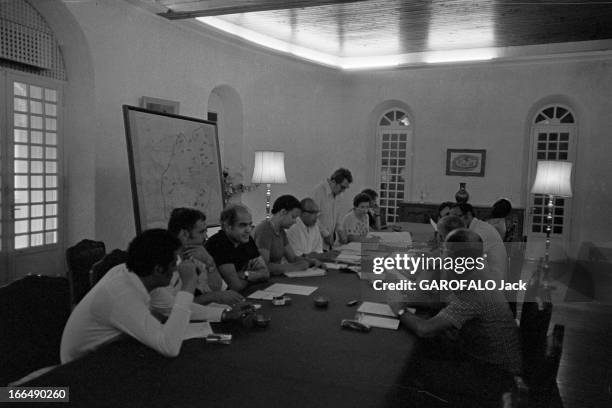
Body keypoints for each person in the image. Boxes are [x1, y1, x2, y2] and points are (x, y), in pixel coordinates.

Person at [388, 228, 522, 404]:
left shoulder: (475, 289)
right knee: (422, 353)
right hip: (487, 360)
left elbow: (425, 329)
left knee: (410, 371)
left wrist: (399, 309)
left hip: (493, 375)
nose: (441, 257)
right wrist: (407, 300)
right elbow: (443, 301)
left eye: (445, 252)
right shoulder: (477, 270)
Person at [61, 229, 222, 363]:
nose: (176, 270)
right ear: (158, 269)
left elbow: (172, 307)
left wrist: (223, 314)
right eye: (174, 264)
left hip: (114, 355)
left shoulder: (138, 273)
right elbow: (169, 346)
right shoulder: (120, 292)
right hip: (80, 368)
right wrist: (188, 285)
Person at [150, 208, 244, 310]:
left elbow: (216, 288)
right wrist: (213, 296)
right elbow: (171, 308)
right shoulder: (166, 262)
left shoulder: (198, 254)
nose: (206, 236)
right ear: (184, 234)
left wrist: (210, 263)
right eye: (201, 232)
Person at [205, 204, 269, 292]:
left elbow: (265, 273)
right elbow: (236, 286)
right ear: (227, 227)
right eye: (242, 225)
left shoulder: (246, 239)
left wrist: (245, 274)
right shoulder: (218, 243)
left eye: (250, 225)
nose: (248, 230)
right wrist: (254, 277)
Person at [254, 195, 322, 275]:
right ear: (283, 212)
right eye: (293, 217)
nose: (295, 221)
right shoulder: (264, 230)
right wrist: (294, 267)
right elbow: (264, 267)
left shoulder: (281, 231)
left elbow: (293, 258)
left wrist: (311, 262)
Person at [451, 203, 508, 282]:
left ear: (468, 215)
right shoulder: (476, 227)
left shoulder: (480, 231)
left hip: (491, 282)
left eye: (456, 218)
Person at [311, 168, 353, 249]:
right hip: (316, 241)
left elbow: (337, 220)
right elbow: (313, 218)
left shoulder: (338, 195)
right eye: (342, 187)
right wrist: (325, 234)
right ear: (333, 182)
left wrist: (341, 232)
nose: (343, 191)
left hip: (329, 242)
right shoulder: (318, 192)